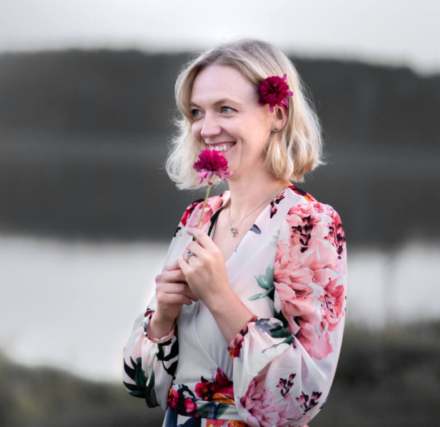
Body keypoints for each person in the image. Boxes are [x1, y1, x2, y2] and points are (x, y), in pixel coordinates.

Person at [122, 38, 347, 427]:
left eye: (225, 109)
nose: (206, 129)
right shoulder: (198, 217)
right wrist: (162, 318)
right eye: (197, 112)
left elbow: (300, 400)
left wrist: (219, 297)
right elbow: (142, 386)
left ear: (277, 114)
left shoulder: (308, 223)